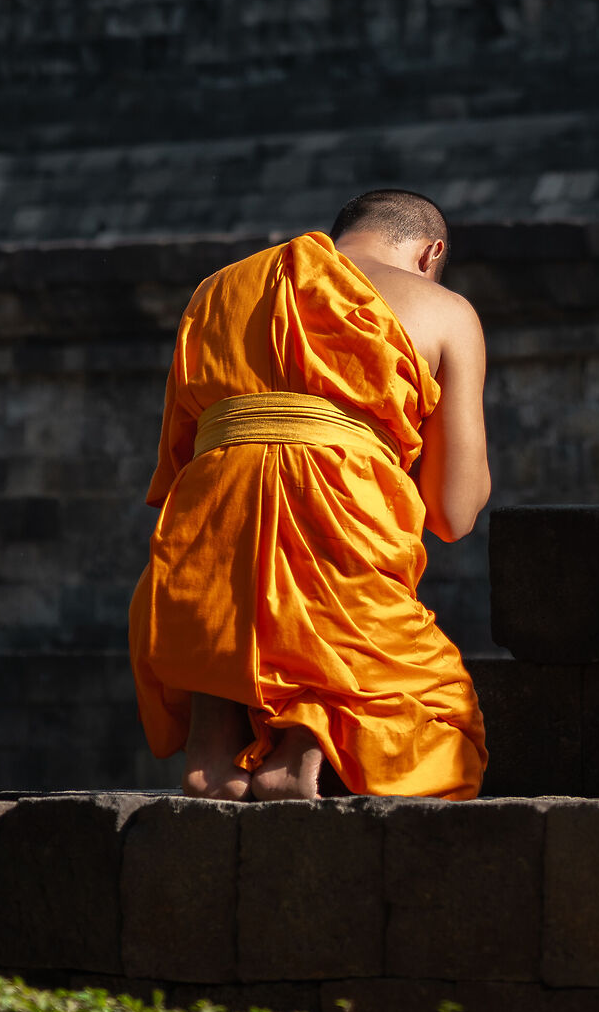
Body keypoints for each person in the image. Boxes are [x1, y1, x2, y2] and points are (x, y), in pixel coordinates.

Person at [128, 188, 490, 801]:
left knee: (228, 628)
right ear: (433, 253)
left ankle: (213, 753)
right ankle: (303, 747)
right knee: (443, 730)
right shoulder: (444, 308)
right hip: (337, 523)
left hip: (209, 529)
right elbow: (453, 512)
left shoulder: (219, 289)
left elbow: (181, 451)